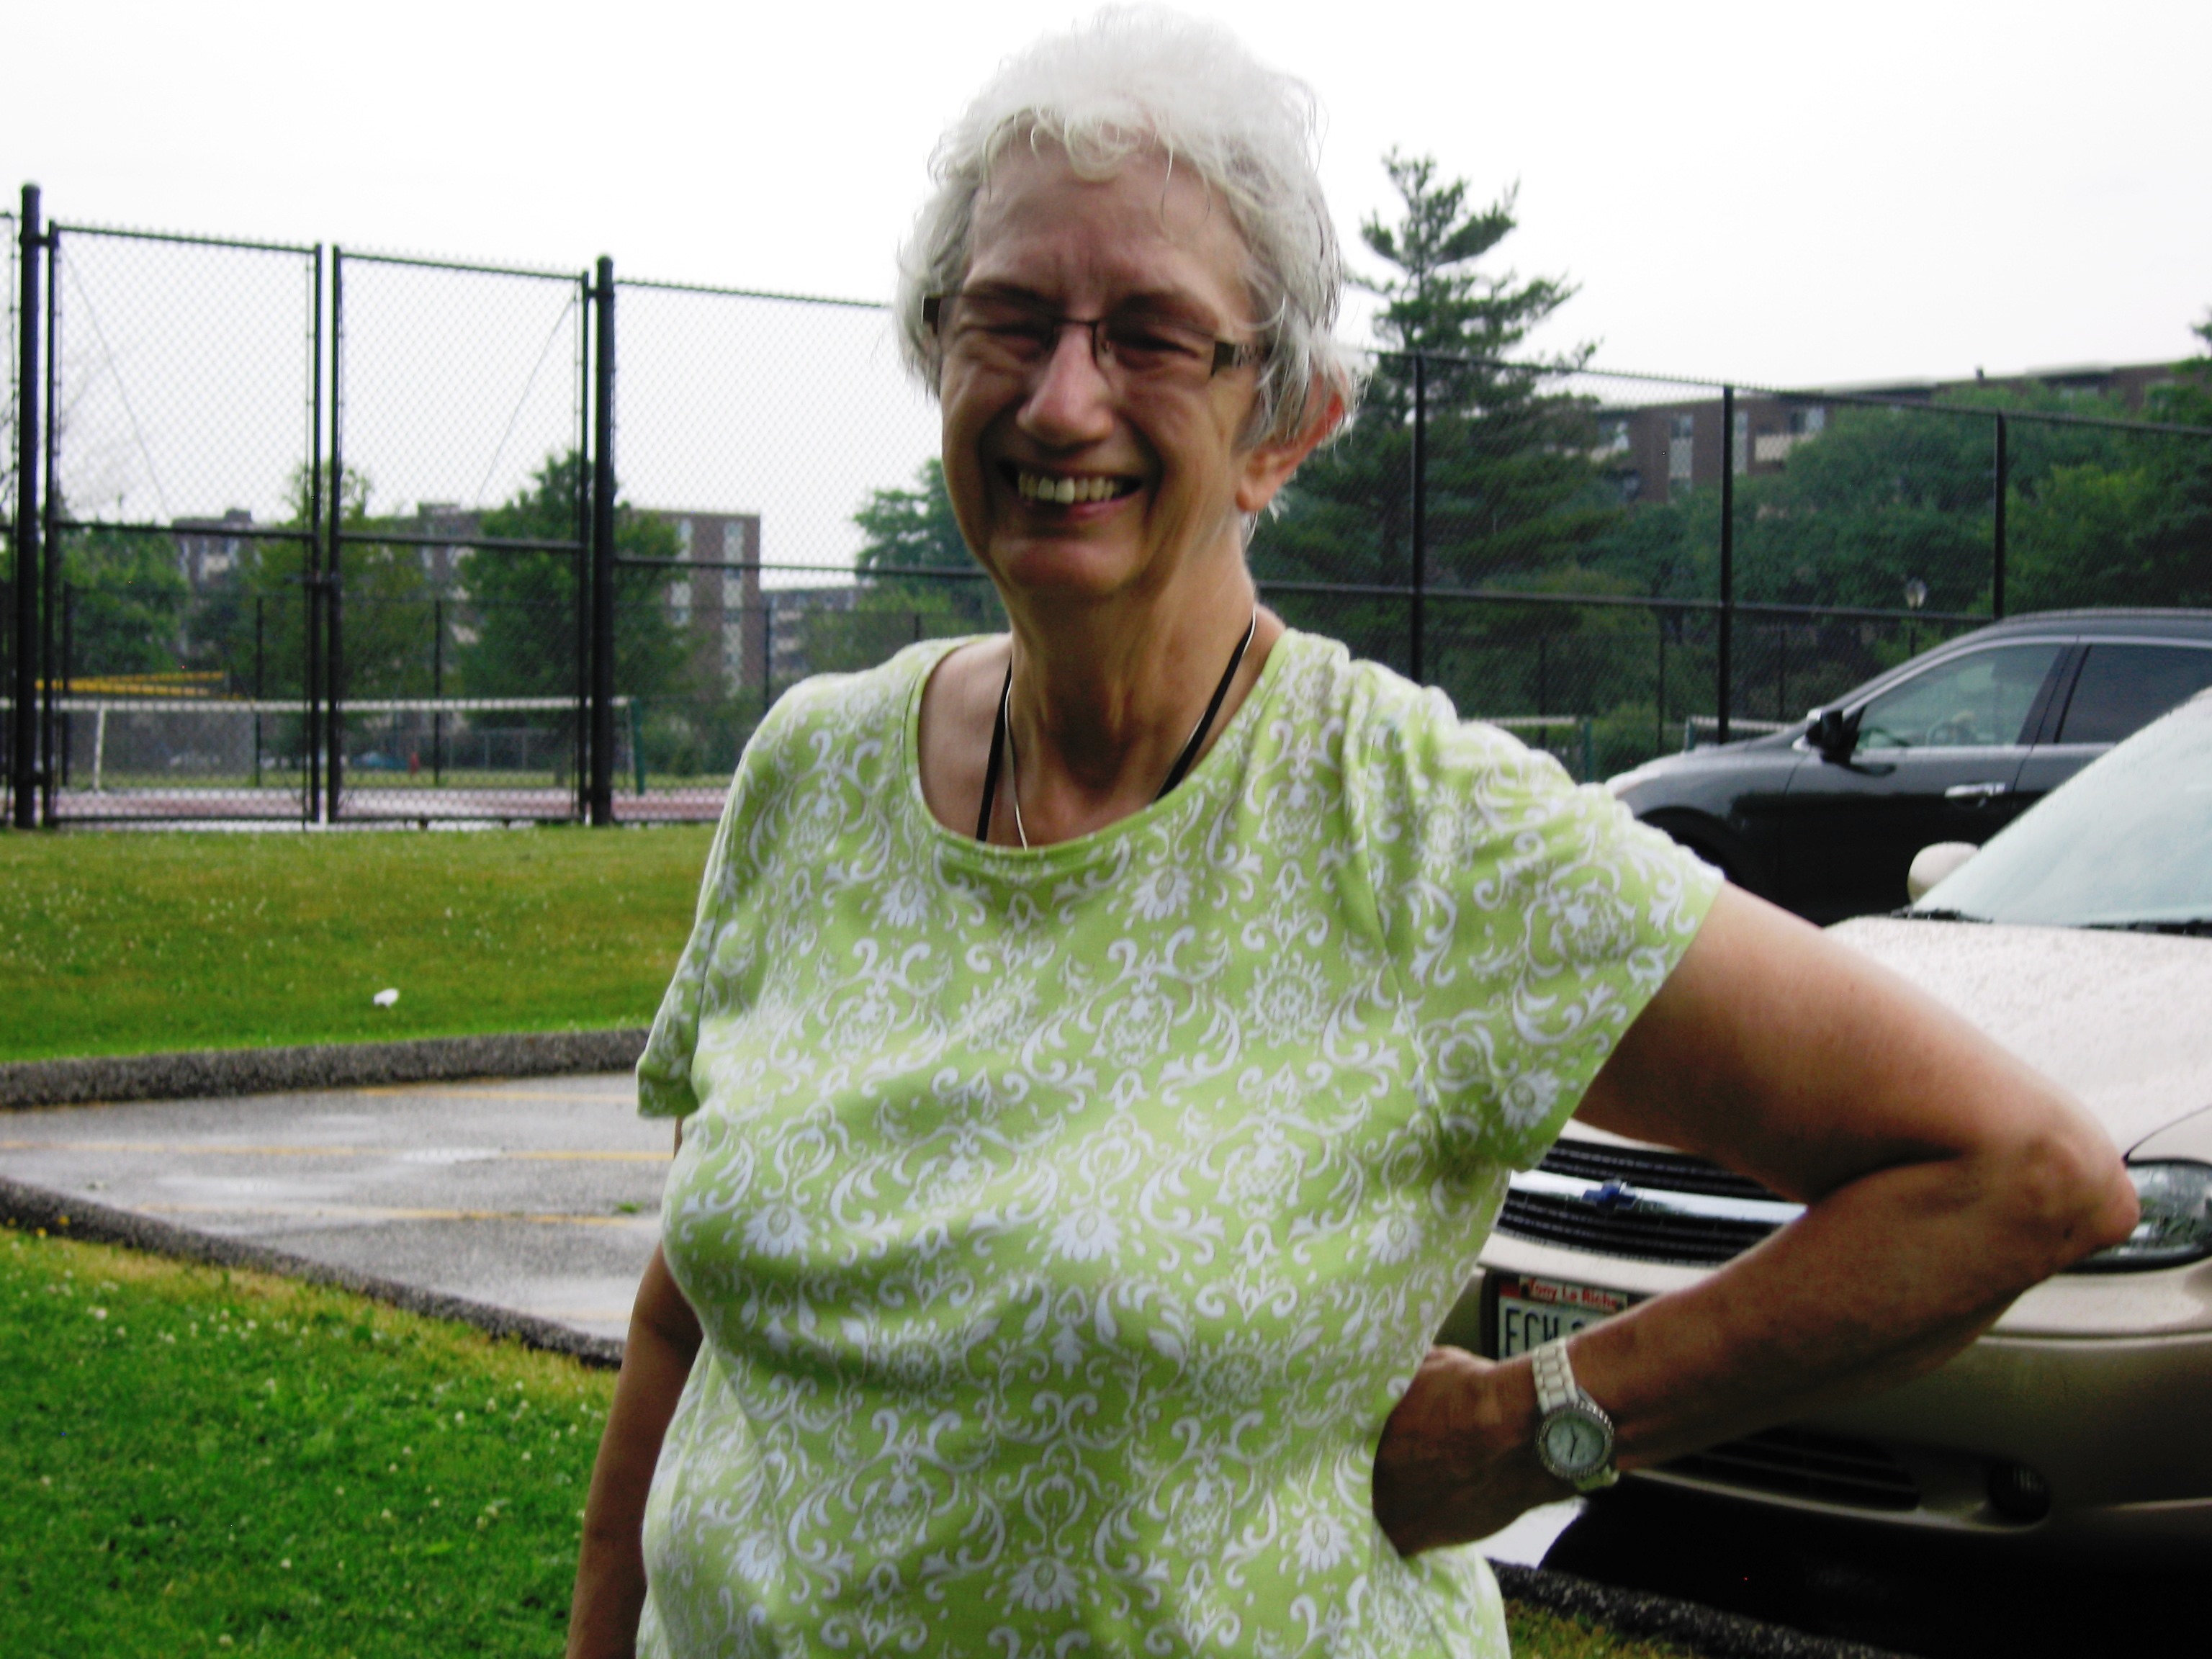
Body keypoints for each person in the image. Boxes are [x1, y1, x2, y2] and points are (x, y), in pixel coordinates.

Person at [566, 13, 2136, 1656]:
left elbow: (2016, 1175)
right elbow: (689, 1315)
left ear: (1287, 423)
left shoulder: (1422, 831)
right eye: (1008, 318)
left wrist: (1530, 1426)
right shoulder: (815, 769)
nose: (1061, 399)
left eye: (1153, 336)